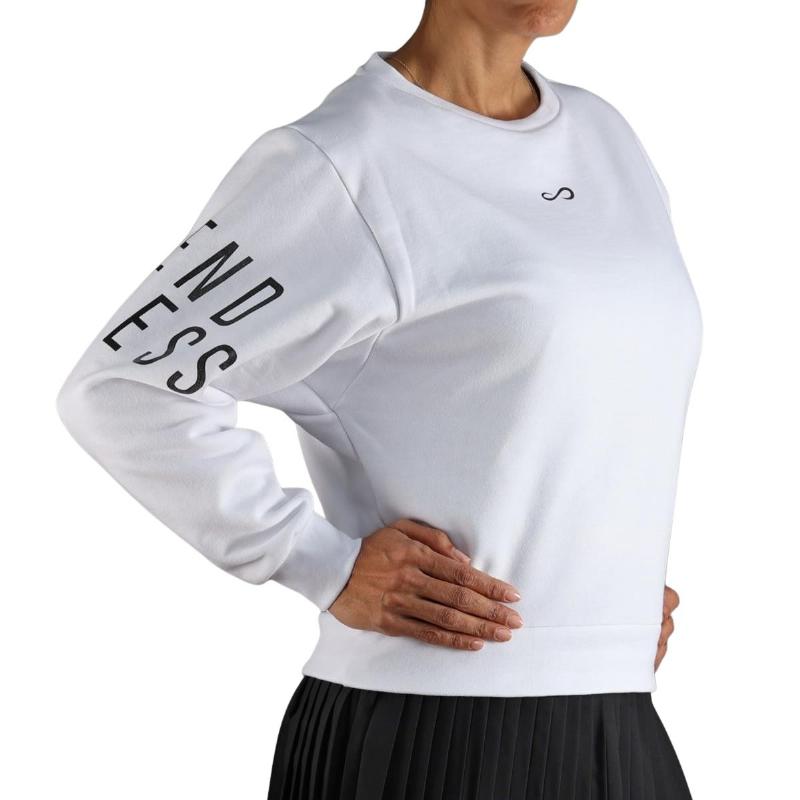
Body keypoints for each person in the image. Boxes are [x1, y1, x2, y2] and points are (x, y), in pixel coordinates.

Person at [56, 0, 701, 797]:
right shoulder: (342, 162)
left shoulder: (606, 139)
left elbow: (596, 393)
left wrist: (607, 604)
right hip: (435, 731)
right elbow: (123, 384)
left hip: (618, 715)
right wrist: (314, 559)